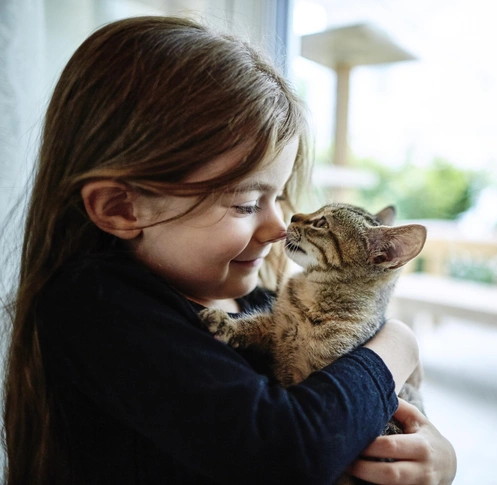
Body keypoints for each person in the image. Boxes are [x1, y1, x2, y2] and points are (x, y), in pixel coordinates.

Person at [2, 16, 456, 485]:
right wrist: (399, 343)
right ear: (120, 207)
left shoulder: (257, 303)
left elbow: (353, 415)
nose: (280, 226)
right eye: (245, 203)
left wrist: (437, 458)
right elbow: (284, 449)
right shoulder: (94, 308)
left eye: (278, 196)